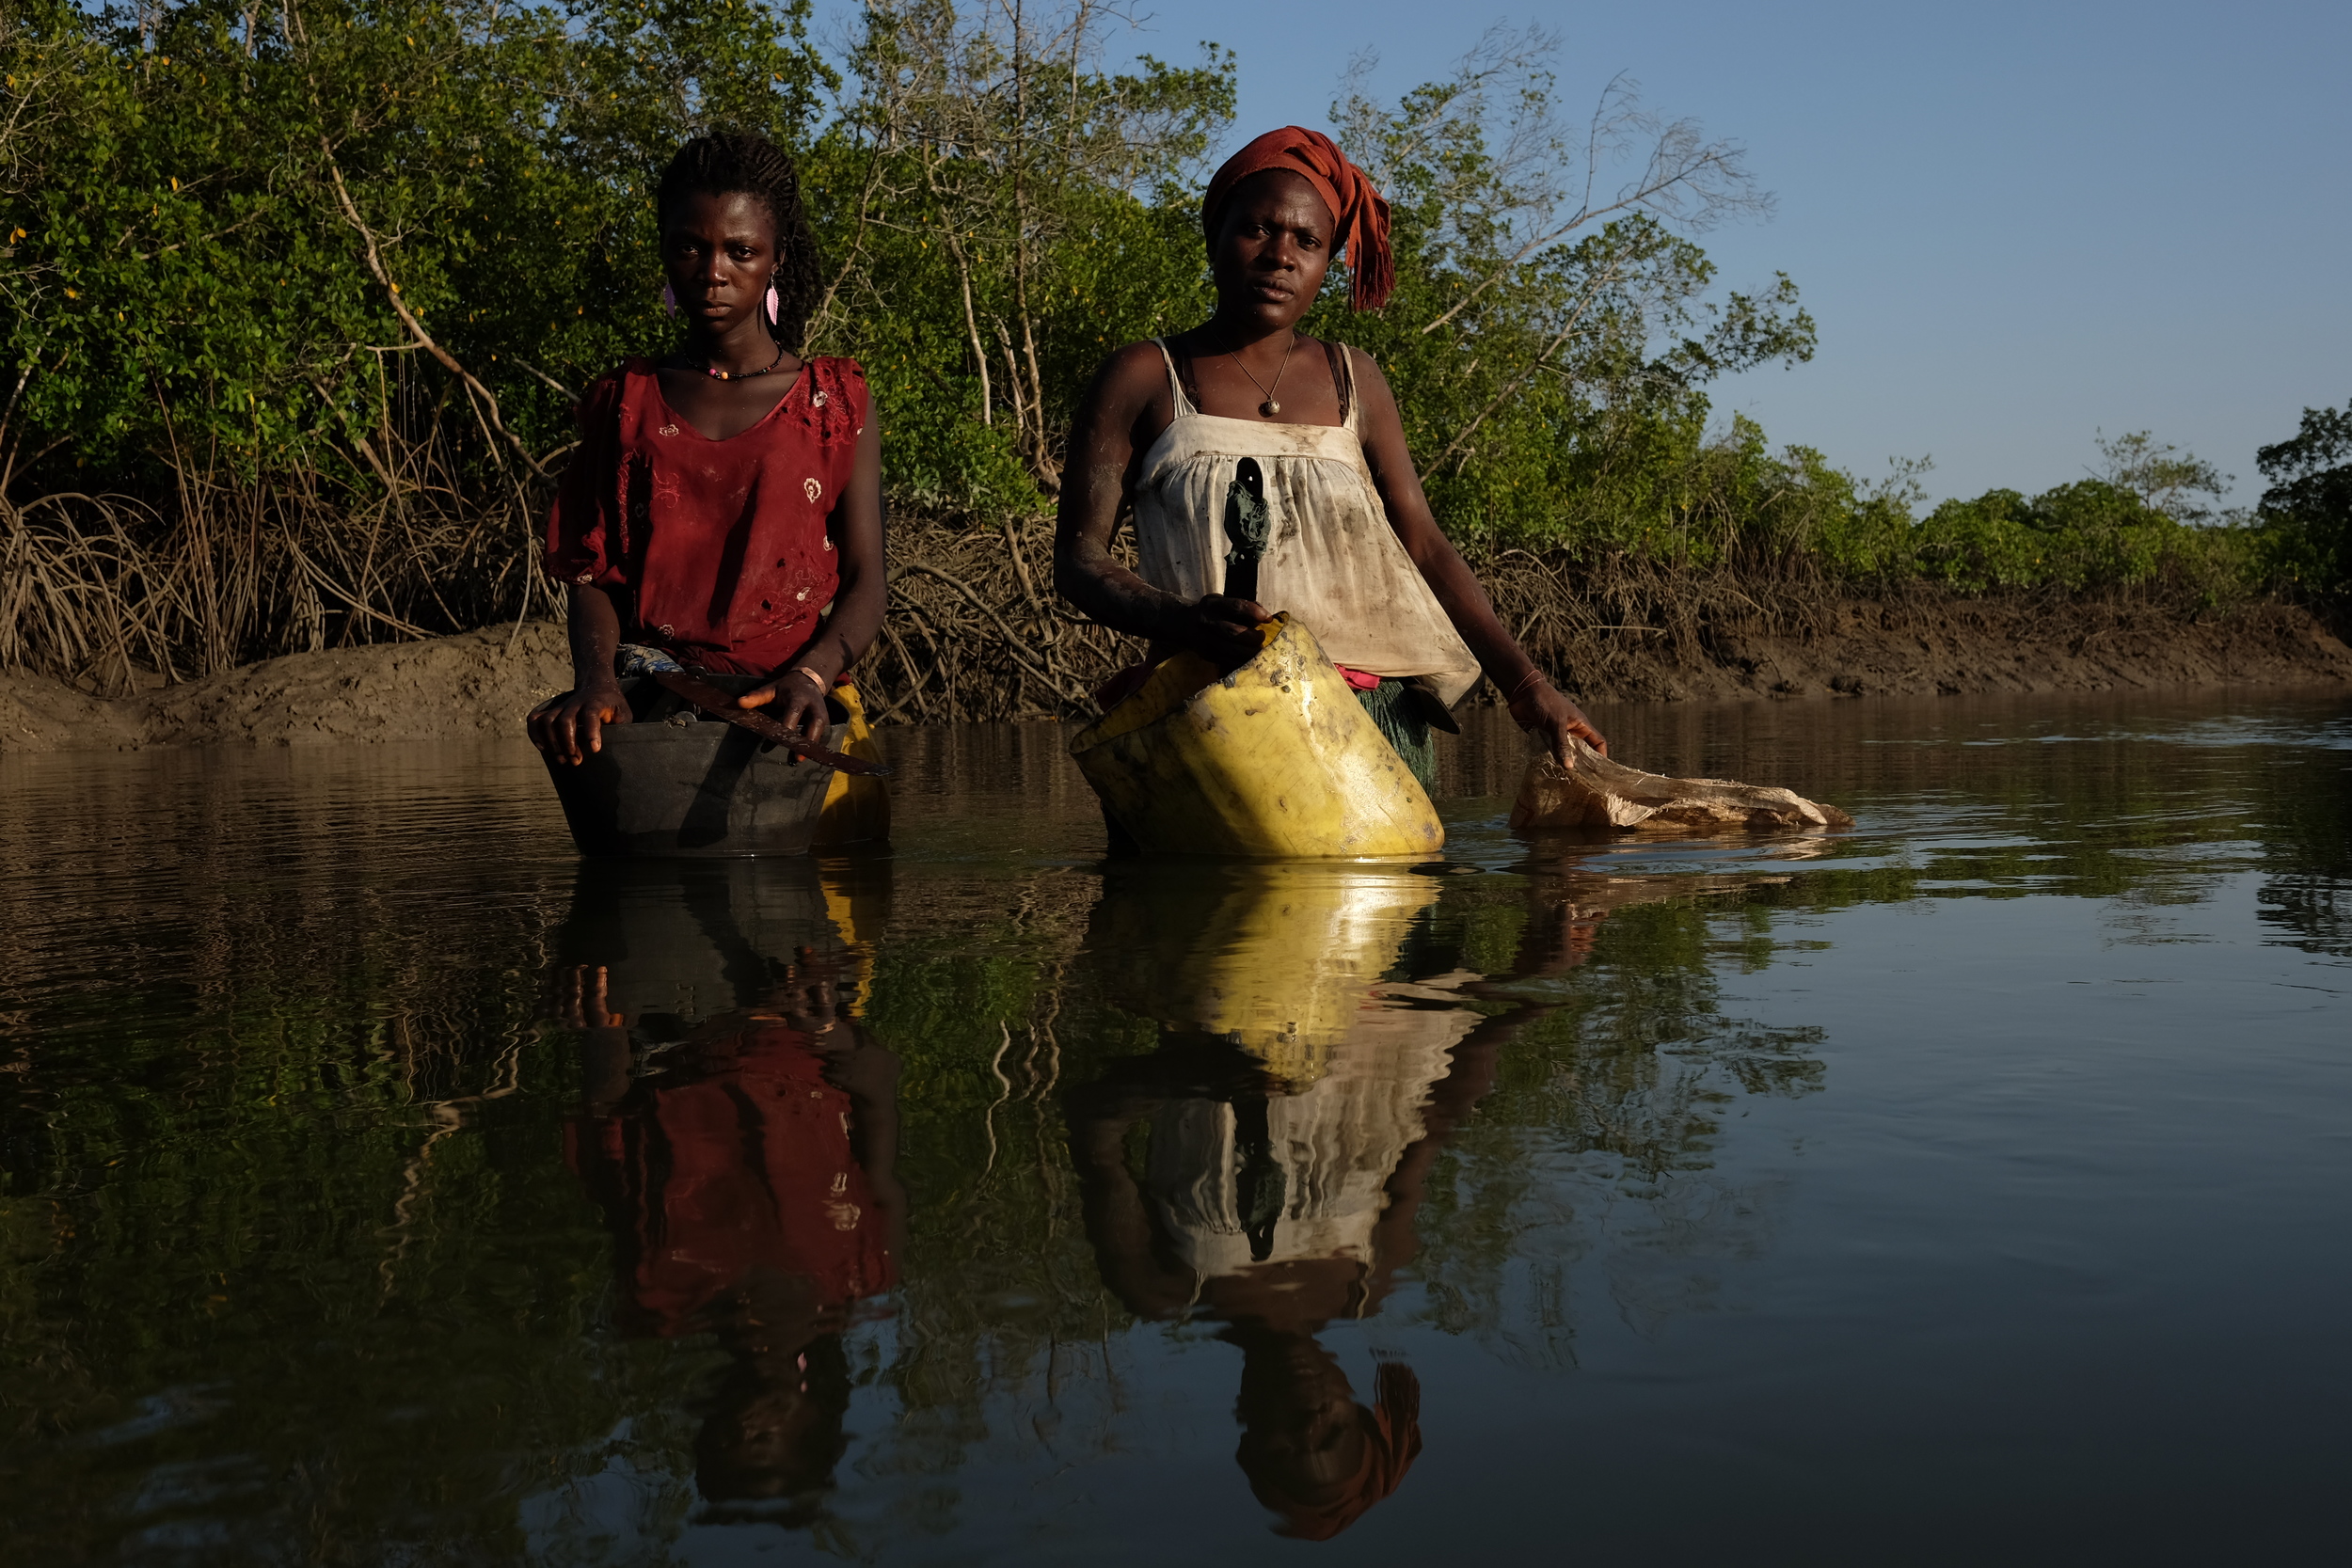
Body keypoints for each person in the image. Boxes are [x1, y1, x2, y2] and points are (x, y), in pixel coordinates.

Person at [1054, 126, 1608, 788]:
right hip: (1206, 717)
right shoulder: (1145, 375)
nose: (1279, 256)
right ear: (1215, 237)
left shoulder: (1357, 379)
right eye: (1257, 229)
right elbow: (1078, 560)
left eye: (1307, 241)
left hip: (1370, 722)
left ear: (1327, 262)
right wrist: (1182, 619)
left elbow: (1425, 546)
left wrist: (1528, 686)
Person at [531, 133, 886, 790]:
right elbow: (592, 575)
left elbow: (868, 581)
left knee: (836, 884)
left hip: (803, 716)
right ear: (666, 252)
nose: (712, 270)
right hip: (656, 724)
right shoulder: (624, 402)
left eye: (740, 251)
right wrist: (597, 681)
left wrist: (812, 674)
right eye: (690, 247)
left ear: (776, 259)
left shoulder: (835, 401)